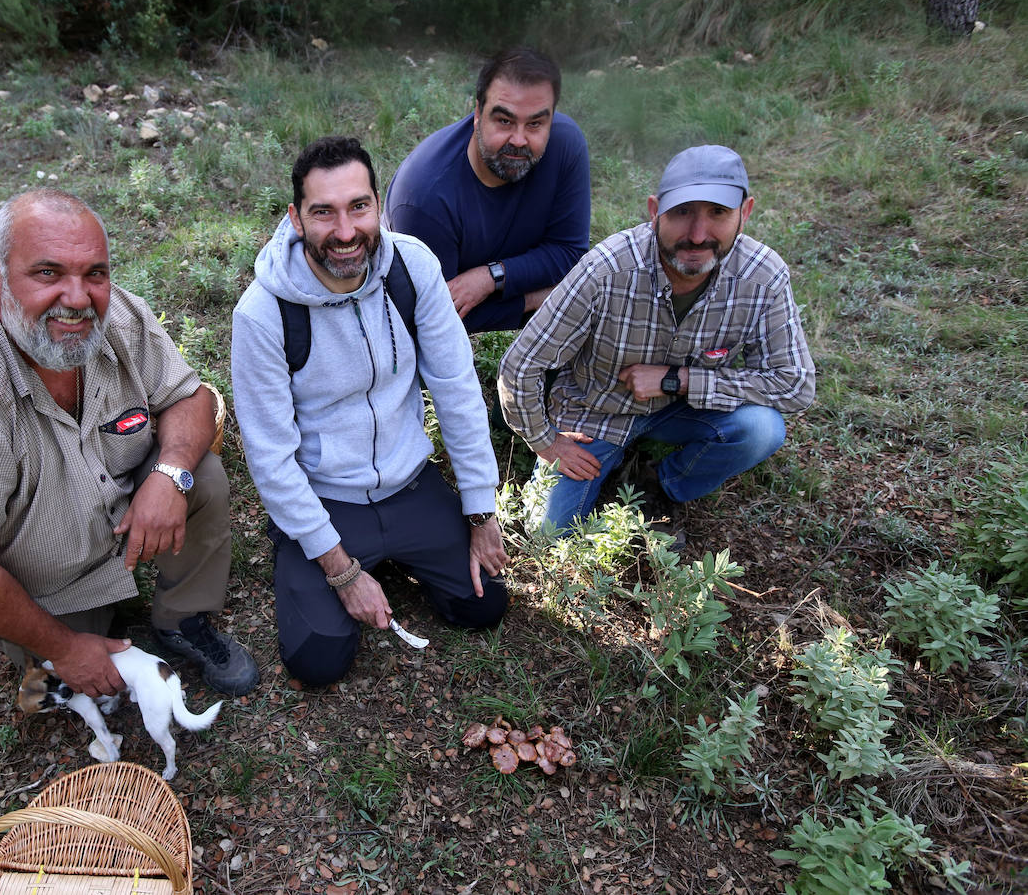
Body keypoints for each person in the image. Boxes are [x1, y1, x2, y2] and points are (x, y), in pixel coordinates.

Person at [0, 189, 260, 698]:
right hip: (42, 578)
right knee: (62, 686)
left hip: (121, 516)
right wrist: (62, 647)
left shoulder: (118, 316)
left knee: (201, 475)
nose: (78, 299)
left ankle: (182, 620)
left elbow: (189, 398)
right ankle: (73, 635)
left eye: (95, 274)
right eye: (48, 273)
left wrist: (169, 474)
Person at [231, 137, 509, 686]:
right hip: (327, 499)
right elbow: (270, 460)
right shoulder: (262, 315)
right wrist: (340, 569)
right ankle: (305, 551)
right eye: (323, 212)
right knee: (319, 659)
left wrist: (480, 510)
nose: (345, 231)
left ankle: (406, 549)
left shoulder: (413, 266)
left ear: (378, 204)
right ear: (295, 218)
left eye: (359, 206)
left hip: (410, 484)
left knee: (484, 607)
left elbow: (456, 389)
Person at [498, 145, 816, 541]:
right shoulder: (607, 269)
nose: (698, 235)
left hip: (685, 407)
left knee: (761, 429)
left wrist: (677, 380)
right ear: (654, 211)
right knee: (546, 535)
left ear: (745, 213)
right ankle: (606, 465)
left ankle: (662, 485)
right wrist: (546, 442)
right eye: (682, 213)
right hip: (595, 411)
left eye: (717, 213)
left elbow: (796, 384)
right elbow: (519, 365)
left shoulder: (763, 277)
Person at [383, 46, 591, 333]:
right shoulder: (424, 198)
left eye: (535, 124)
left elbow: (570, 251)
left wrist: (492, 276)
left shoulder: (566, 144)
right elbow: (433, 318)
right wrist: (540, 296)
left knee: (600, 298)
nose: (519, 139)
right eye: (504, 121)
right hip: (409, 312)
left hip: (491, 271)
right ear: (478, 112)